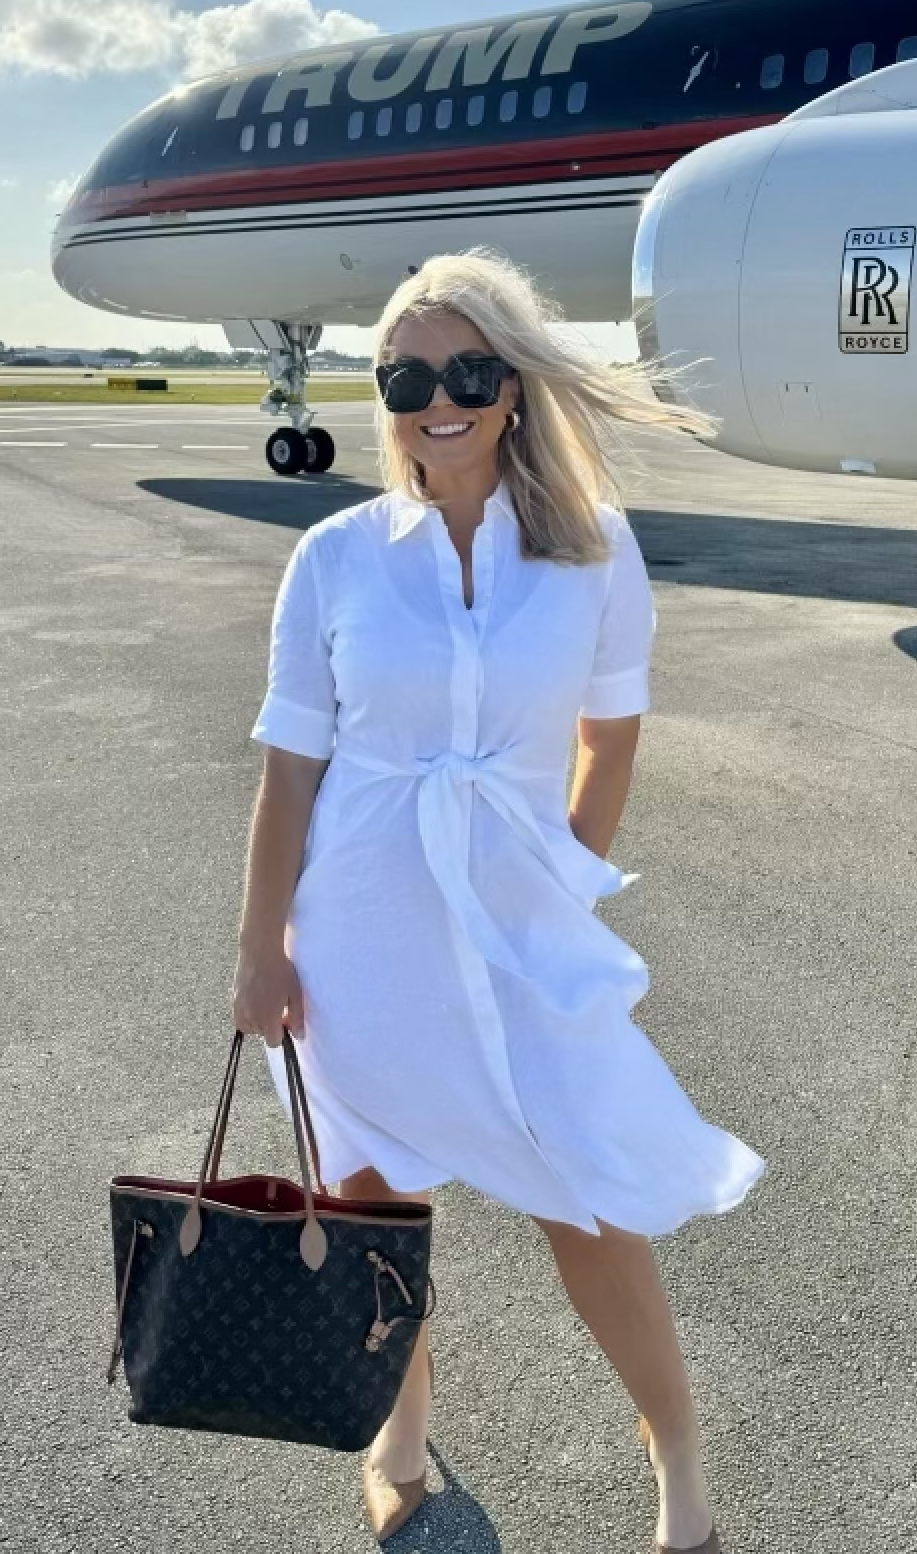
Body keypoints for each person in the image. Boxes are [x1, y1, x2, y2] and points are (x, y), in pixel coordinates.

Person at [232, 248, 764, 1552]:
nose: (440, 401)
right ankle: (401, 1431)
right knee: (374, 1207)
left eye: (470, 372)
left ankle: (677, 1457)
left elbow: (610, 739)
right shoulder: (336, 557)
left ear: (514, 386)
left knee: (589, 1195)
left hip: (519, 933)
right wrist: (260, 948)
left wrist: (559, 887)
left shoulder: (594, 550)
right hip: (359, 928)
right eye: (406, 378)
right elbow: (290, 767)